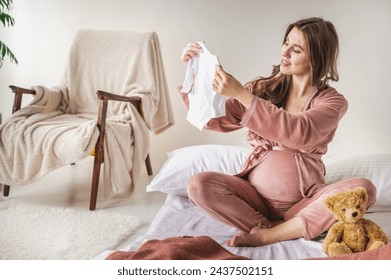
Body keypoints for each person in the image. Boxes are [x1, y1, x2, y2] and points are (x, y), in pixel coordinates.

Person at [178, 17, 376, 247]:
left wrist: (242, 95)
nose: (285, 52)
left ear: (317, 57)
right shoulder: (263, 88)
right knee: (198, 184)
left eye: (297, 49)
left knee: (363, 188)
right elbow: (214, 119)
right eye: (286, 43)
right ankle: (272, 228)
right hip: (253, 201)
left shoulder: (332, 102)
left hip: (303, 203)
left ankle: (269, 235)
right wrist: (195, 71)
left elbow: (300, 131)